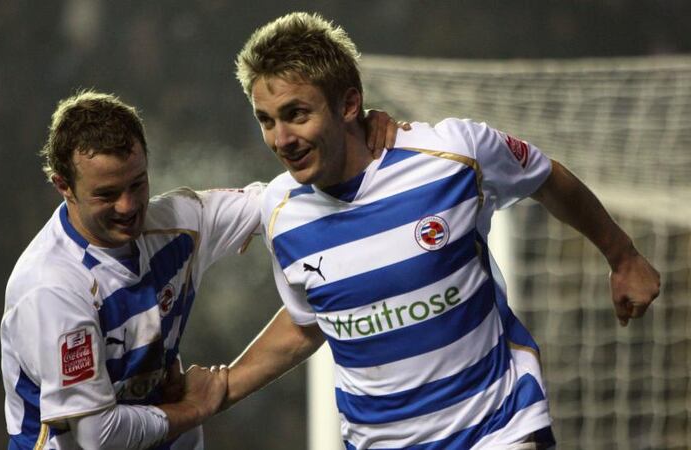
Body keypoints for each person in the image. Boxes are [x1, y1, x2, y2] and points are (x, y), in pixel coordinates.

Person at [223, 12, 661, 450]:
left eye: (296, 114)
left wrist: (622, 256)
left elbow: (545, 177)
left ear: (349, 105)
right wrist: (218, 388)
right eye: (266, 121)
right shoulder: (281, 215)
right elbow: (309, 322)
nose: (281, 139)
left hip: (499, 428)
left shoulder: (452, 155)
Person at [0, 90, 400, 449]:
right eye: (107, 194)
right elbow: (97, 435)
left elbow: (277, 203)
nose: (128, 206)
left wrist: (355, 138)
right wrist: (195, 407)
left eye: (137, 184)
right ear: (63, 185)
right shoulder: (52, 288)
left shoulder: (177, 222)